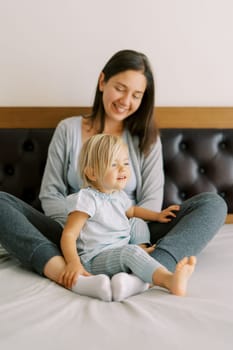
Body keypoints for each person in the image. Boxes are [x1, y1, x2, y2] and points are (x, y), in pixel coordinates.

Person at [0, 49, 227, 300]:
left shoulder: (146, 138)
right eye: (120, 88)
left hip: (132, 232)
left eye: (136, 95)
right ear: (102, 81)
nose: (126, 100)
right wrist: (83, 225)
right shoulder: (68, 129)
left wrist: (129, 241)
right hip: (74, 230)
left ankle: (147, 274)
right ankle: (65, 271)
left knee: (213, 204)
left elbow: (149, 200)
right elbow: (50, 192)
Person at [60, 133, 196, 302]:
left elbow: (132, 211)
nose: (123, 169)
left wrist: (157, 215)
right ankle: (169, 280)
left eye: (125, 163)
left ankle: (141, 250)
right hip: (95, 258)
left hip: (118, 247)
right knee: (129, 252)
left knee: (136, 222)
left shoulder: (117, 194)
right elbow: (69, 235)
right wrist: (73, 263)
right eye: (114, 164)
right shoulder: (87, 199)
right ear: (92, 174)